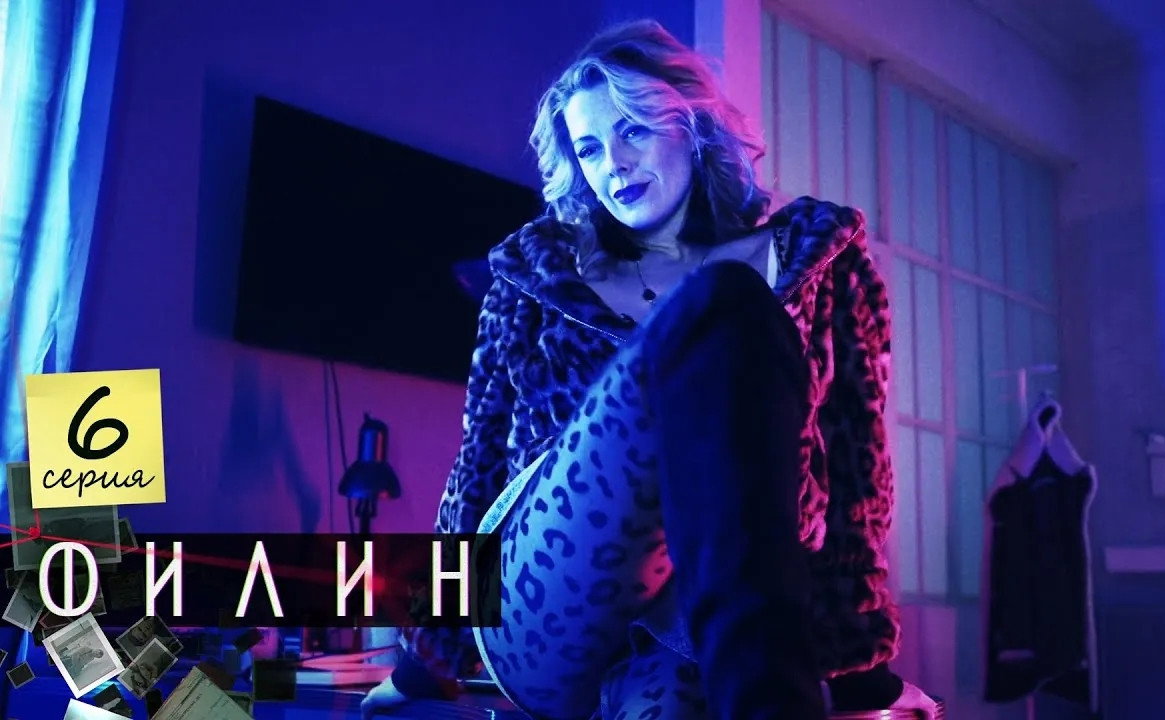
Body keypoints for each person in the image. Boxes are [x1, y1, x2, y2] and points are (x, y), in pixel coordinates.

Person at [363, 18, 936, 720]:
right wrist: (424, 665)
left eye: (632, 130)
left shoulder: (819, 261)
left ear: (691, 127)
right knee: (722, 305)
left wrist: (860, 673)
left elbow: (856, 481)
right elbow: (476, 468)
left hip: (706, 616)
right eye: (588, 148)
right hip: (548, 606)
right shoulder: (535, 279)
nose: (613, 164)